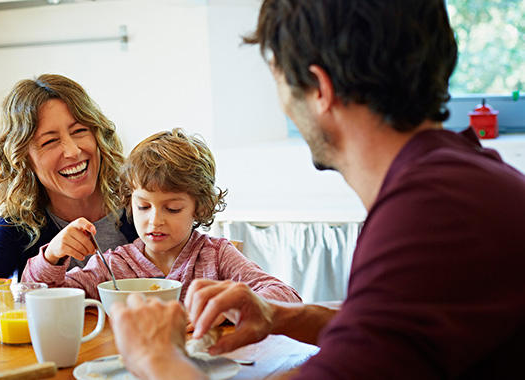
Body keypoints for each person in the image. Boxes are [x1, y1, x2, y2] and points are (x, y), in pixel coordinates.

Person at [108, 1, 525, 379]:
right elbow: (387, 334)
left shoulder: (430, 218)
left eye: (278, 80)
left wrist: (157, 360)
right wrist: (283, 315)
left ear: (319, 88)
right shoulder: (462, 180)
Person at [22, 128, 301, 305]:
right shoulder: (116, 265)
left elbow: (286, 296)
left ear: (200, 208)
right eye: (143, 207)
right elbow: (37, 297)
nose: (155, 221)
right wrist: (52, 256)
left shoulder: (216, 256)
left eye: (173, 209)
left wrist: (235, 304)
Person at [0, 74, 138, 306]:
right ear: (25, 160)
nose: (73, 151)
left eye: (79, 131)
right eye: (49, 141)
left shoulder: (143, 208)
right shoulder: (18, 228)